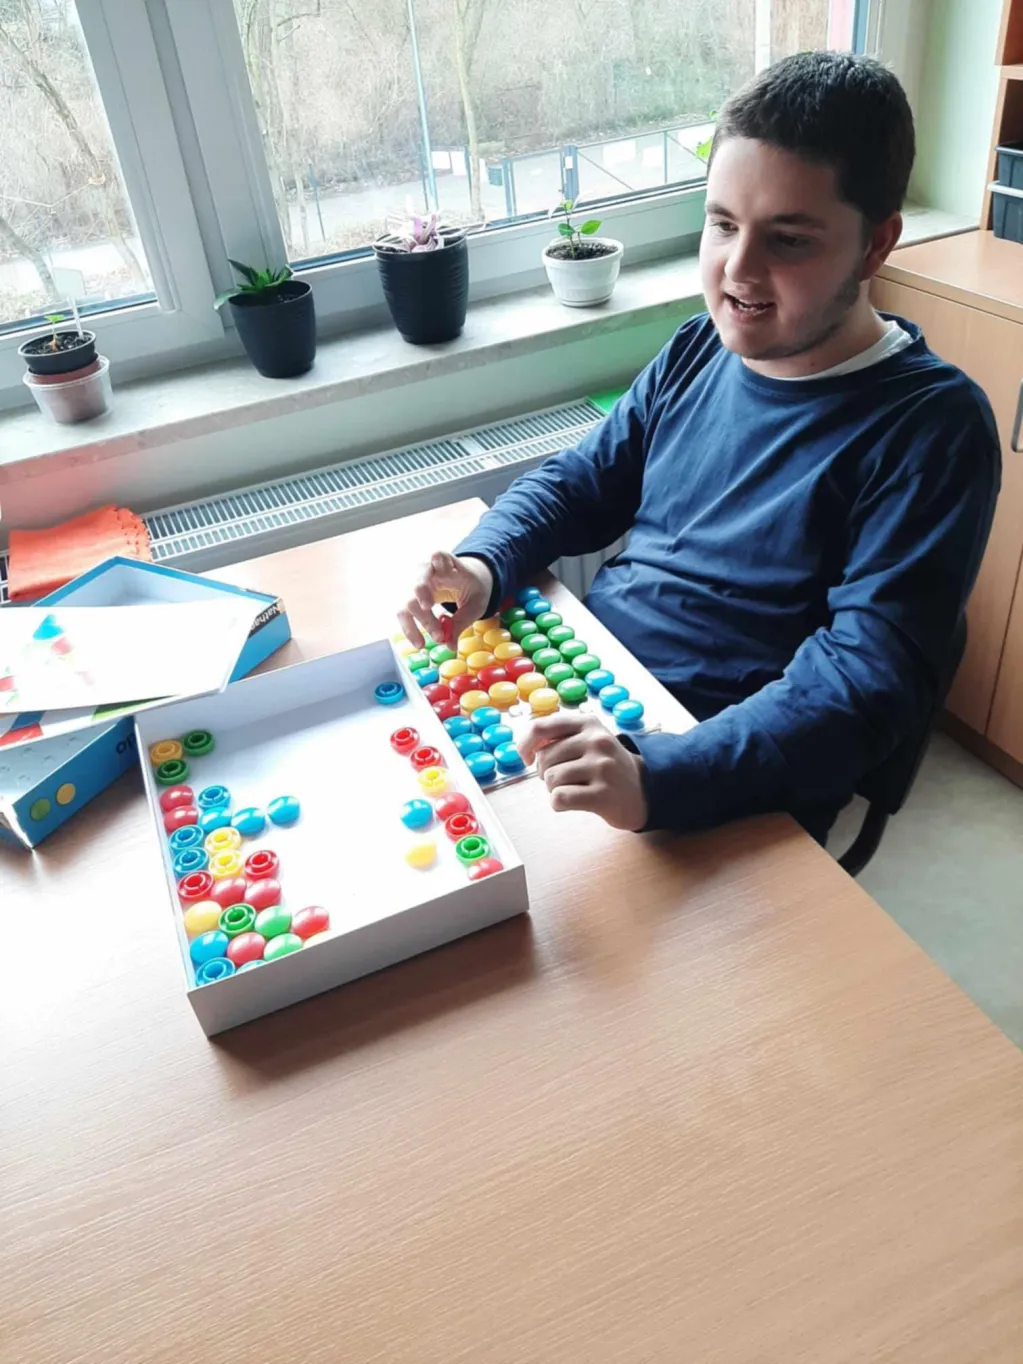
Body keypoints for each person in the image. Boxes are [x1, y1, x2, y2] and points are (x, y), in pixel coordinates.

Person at [397, 51, 1000, 845]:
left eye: (788, 240)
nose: (736, 271)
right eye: (722, 224)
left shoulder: (932, 428)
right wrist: (484, 563)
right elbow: (581, 481)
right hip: (594, 692)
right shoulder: (698, 348)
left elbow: (862, 682)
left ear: (873, 246)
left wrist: (658, 776)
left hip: (724, 772)